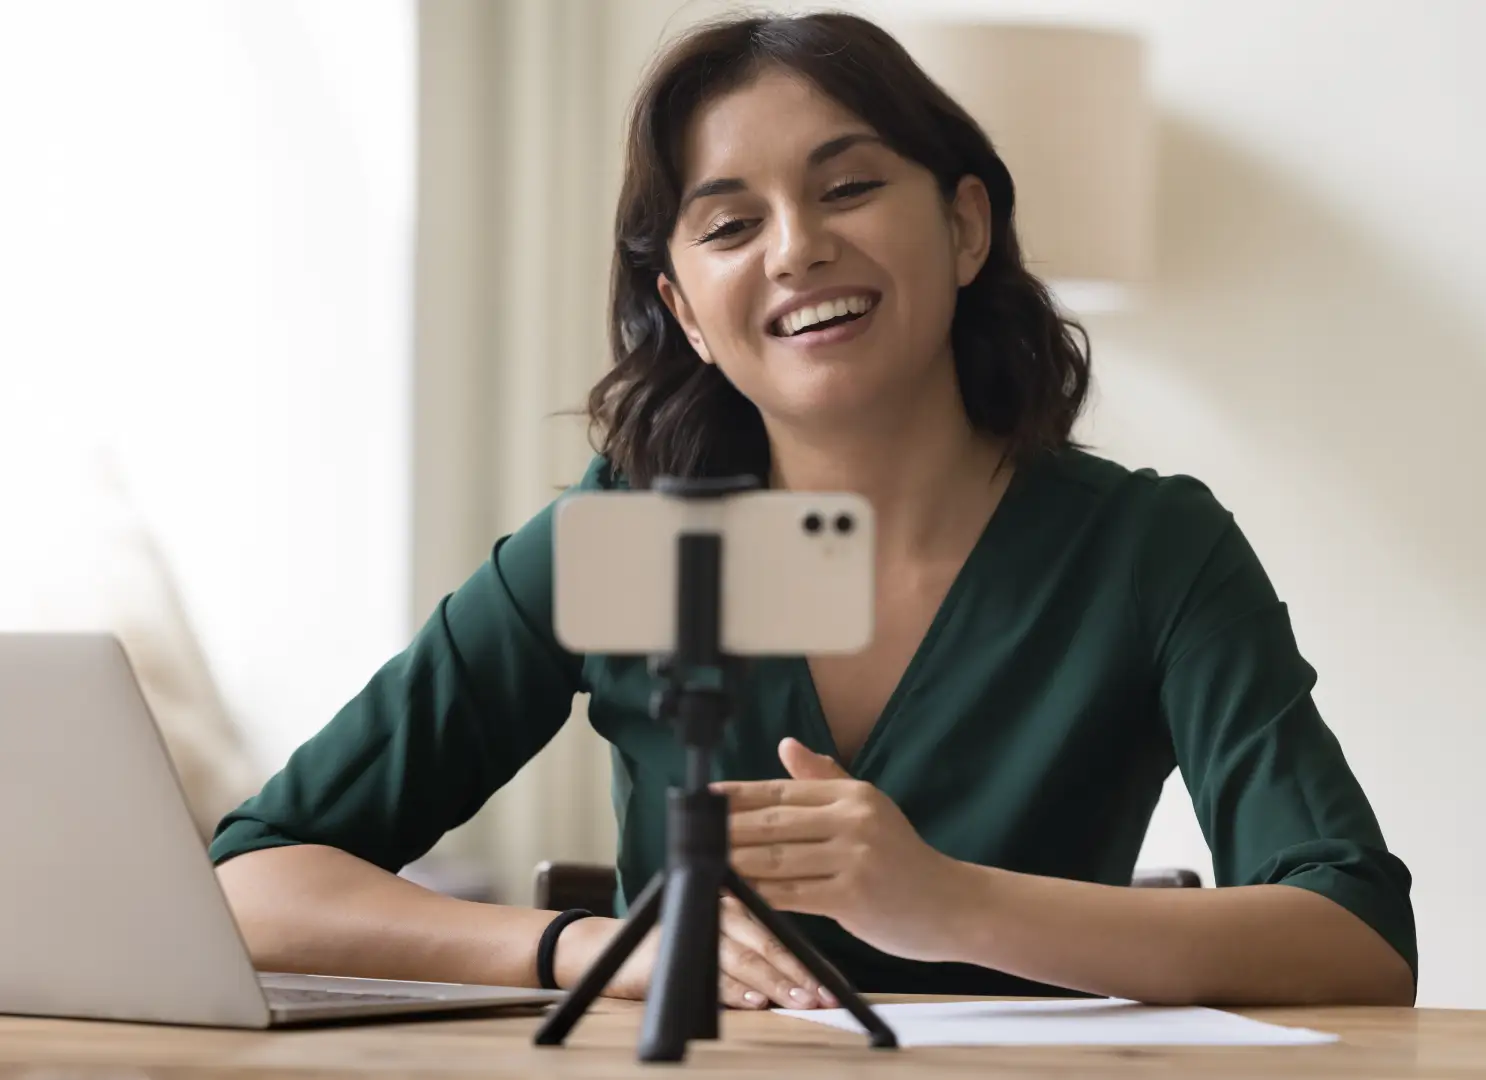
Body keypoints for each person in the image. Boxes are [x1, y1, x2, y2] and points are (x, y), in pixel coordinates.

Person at [210, 11, 1417, 1011]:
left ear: (962, 227)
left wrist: (948, 902)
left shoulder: (1145, 553)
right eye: (733, 225)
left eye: (847, 188)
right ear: (687, 310)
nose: (797, 250)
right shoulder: (635, 544)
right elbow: (250, 882)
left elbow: (1354, 939)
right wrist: (589, 948)